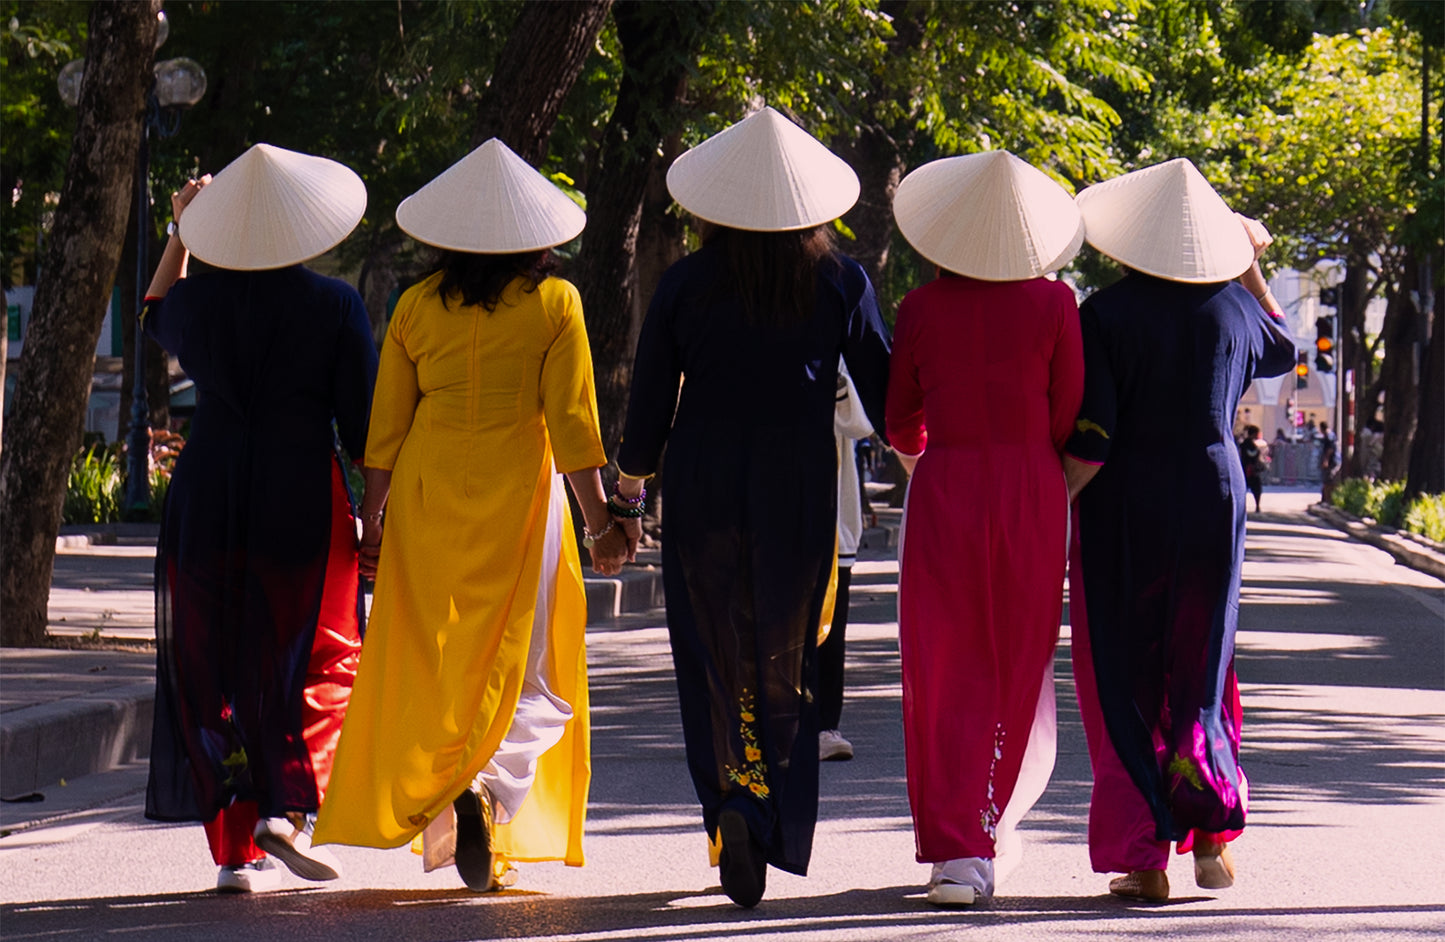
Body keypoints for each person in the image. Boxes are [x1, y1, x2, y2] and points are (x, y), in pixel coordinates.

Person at [313, 139, 629, 891]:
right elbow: (574, 423)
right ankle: (487, 786)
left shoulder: (416, 306)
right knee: (540, 671)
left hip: (426, 496)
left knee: (437, 661)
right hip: (522, 493)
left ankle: (457, 789)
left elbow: (383, 432)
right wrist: (599, 525)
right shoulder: (556, 303)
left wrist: (373, 522)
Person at [612, 107, 891, 908]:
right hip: (797, 482)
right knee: (784, 653)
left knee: (709, 648)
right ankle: (764, 812)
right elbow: (883, 390)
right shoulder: (839, 278)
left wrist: (628, 494)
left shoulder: (685, 283)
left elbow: (649, 409)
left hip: (701, 478)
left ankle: (731, 799)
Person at [141, 144, 377, 894]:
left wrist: (182, 228)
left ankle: (232, 851)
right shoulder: (334, 304)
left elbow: (153, 310)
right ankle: (290, 806)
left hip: (205, 494)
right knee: (321, 651)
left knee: (215, 663)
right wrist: (376, 514)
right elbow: (366, 428)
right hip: (299, 493)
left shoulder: (200, 305)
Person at [1062, 158, 1297, 903]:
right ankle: (1210, 839)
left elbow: (1091, 430)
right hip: (1212, 492)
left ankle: (1143, 856)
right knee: (1201, 666)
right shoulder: (1232, 311)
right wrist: (1250, 266)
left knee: (1125, 672)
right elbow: (1285, 349)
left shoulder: (1101, 314)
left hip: (1122, 500)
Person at [886, 150, 1086, 907]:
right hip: (1031, 487)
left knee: (941, 665)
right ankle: (989, 826)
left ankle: (953, 851)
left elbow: (901, 420)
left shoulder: (917, 310)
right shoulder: (1055, 305)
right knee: (1016, 657)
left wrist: (929, 462)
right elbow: (1067, 412)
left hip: (945, 485)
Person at [817, 363, 875, 762]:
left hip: (832, 515)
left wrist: (835, 381)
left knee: (830, 628)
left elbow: (861, 423)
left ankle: (824, 725)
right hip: (767, 514)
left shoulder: (834, 345)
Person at [1238, 425, 1269, 513]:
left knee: (1244, 489)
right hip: (1249, 470)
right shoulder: (1248, 444)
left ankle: (1245, 507)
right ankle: (1256, 506)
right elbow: (1251, 454)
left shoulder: (1245, 443)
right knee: (1256, 488)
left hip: (1246, 470)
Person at [1318, 421, 1339, 500]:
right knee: (1327, 480)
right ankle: (1325, 498)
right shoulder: (1331, 435)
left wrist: (1326, 460)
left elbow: (1330, 449)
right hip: (1333, 460)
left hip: (1331, 461)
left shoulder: (1328, 436)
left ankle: (1328, 499)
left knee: (1328, 481)